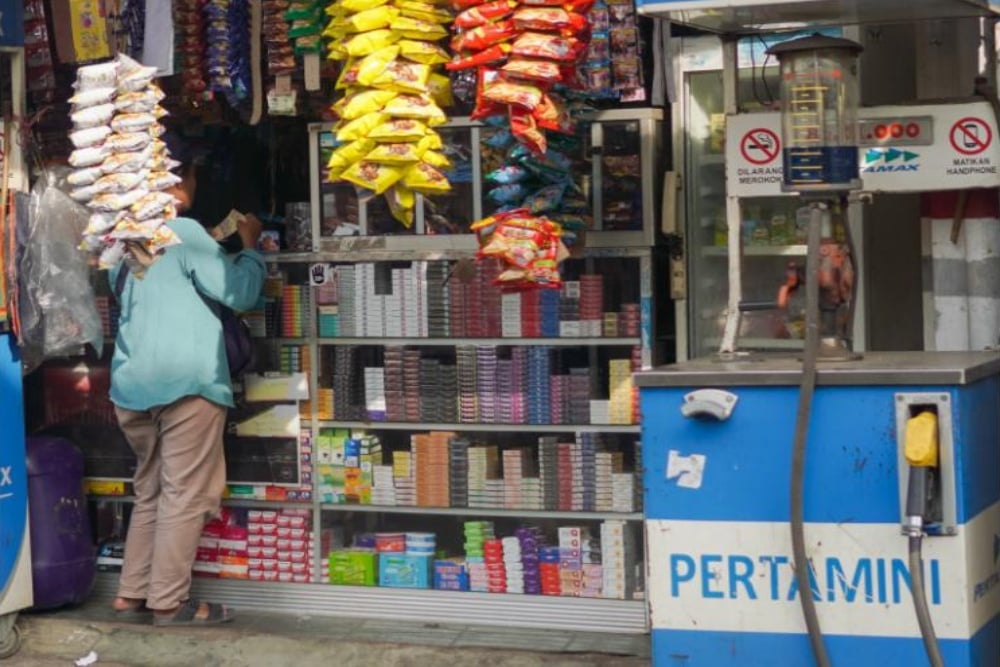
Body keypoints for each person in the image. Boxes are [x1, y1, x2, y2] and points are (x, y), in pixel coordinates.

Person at [108, 133, 265, 626]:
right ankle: (169, 603)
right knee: (183, 494)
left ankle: (130, 593)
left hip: (132, 388)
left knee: (151, 490)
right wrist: (252, 248)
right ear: (177, 185)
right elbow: (238, 293)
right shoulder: (184, 232)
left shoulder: (121, 244)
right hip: (187, 384)